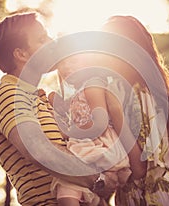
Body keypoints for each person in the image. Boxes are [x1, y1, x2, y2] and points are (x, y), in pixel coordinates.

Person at [49, 15, 169, 206]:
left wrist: (115, 112)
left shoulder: (141, 94)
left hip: (149, 199)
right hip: (130, 198)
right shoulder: (121, 89)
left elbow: (139, 170)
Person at [0, 12, 117, 206]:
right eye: (41, 39)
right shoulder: (8, 94)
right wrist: (96, 179)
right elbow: (38, 150)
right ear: (21, 54)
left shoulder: (42, 99)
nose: (52, 42)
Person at [48, 57, 132, 206]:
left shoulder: (93, 86)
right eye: (61, 62)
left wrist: (69, 132)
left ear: (87, 60)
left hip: (100, 146)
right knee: (80, 194)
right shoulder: (78, 91)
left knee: (67, 185)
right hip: (90, 145)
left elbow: (100, 123)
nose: (65, 67)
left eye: (72, 60)